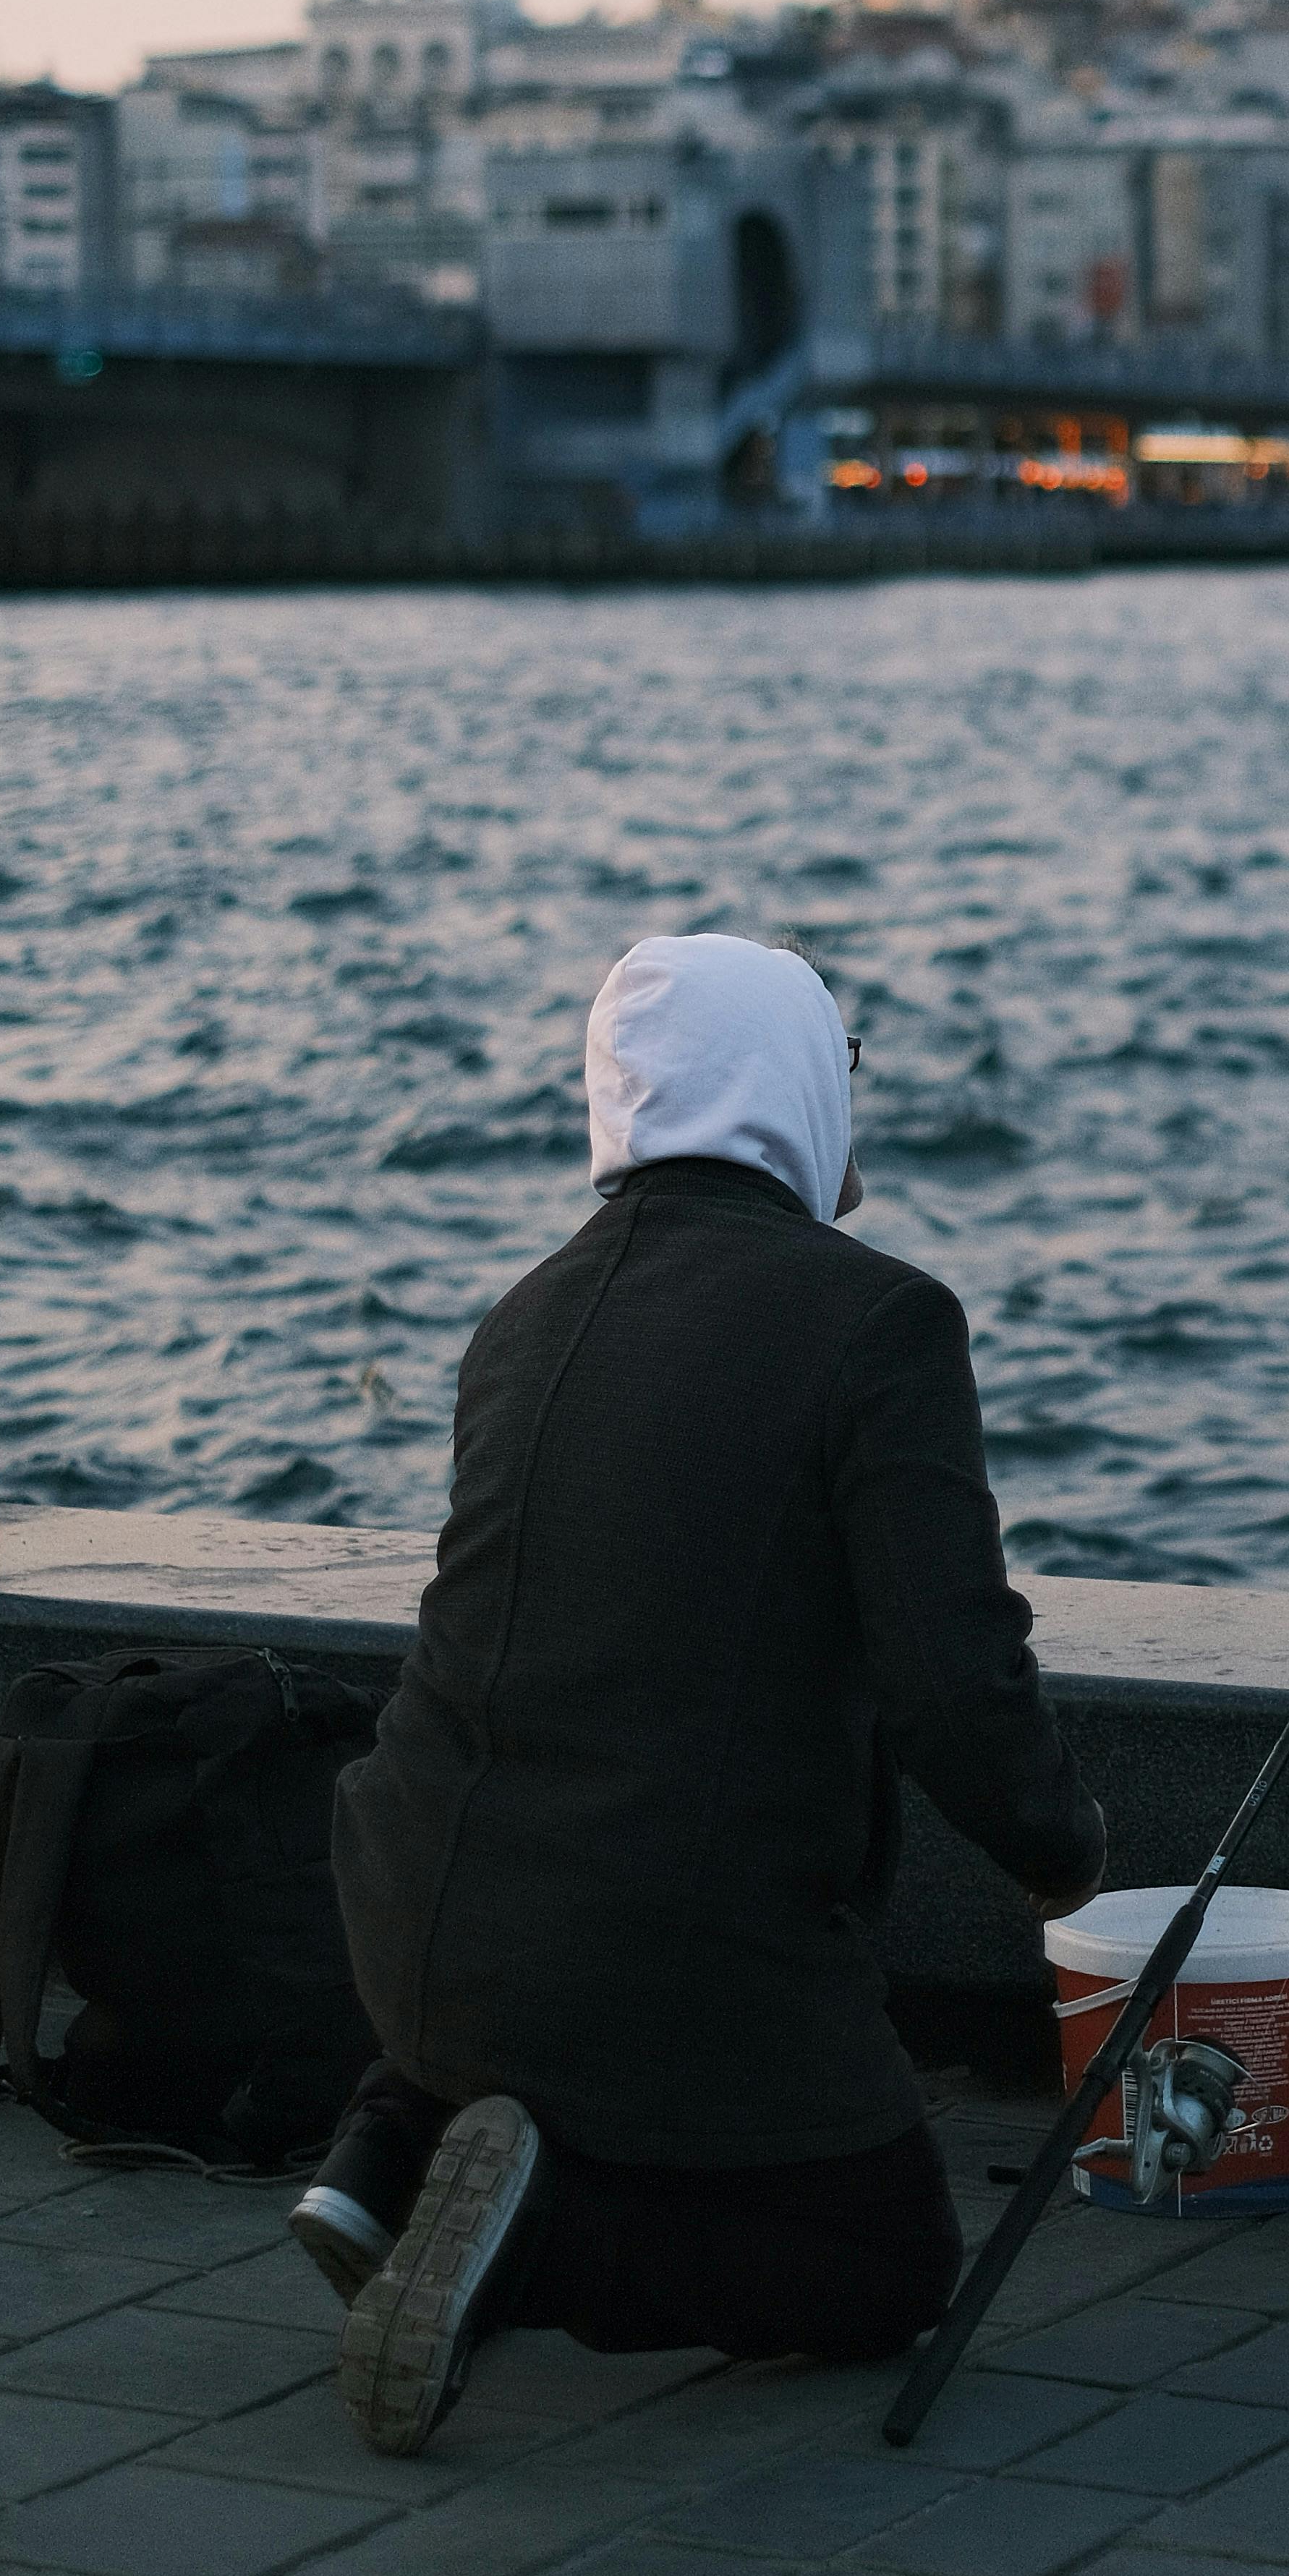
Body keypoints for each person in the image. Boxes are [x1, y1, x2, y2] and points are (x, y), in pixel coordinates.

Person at [299, 930, 1106, 2456]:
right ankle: (511, 2253)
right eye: (839, 1065)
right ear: (790, 1080)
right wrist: (1060, 1856)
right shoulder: (880, 1321)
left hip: (405, 1919)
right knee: (880, 2260)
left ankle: (385, 2155)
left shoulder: (521, 1317)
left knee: (540, 1993)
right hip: (649, 1950)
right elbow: (952, 1680)